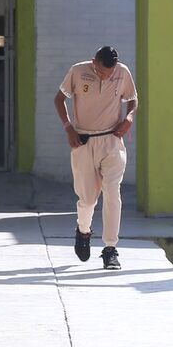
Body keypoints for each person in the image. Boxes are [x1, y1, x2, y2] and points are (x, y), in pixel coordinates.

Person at [54, 46, 138, 270]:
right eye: (101, 72)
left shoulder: (122, 72)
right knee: (88, 199)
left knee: (112, 193)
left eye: (109, 74)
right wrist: (68, 128)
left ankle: (110, 249)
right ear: (94, 62)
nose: (105, 76)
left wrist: (129, 118)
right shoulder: (78, 71)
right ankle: (83, 230)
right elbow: (59, 99)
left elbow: (132, 99)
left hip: (112, 141)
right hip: (83, 141)